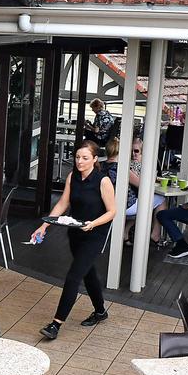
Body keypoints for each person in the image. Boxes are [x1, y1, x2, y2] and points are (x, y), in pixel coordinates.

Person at [32, 142, 117, 339]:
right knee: (88, 273)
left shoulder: (103, 181)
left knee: (73, 276)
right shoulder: (73, 177)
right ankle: (100, 311)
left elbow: (112, 211)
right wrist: (45, 225)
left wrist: (93, 224)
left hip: (94, 234)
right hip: (75, 232)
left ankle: (55, 325)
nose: (79, 161)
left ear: (95, 159)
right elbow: (63, 203)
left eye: (85, 158)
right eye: (78, 157)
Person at [114, 138, 165, 246]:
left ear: (142, 152)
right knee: (161, 200)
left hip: (123, 202)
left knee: (145, 205)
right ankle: (156, 234)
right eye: (131, 151)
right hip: (125, 204)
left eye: (136, 151)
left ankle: (125, 232)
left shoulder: (144, 164)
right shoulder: (130, 165)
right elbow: (143, 185)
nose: (133, 154)